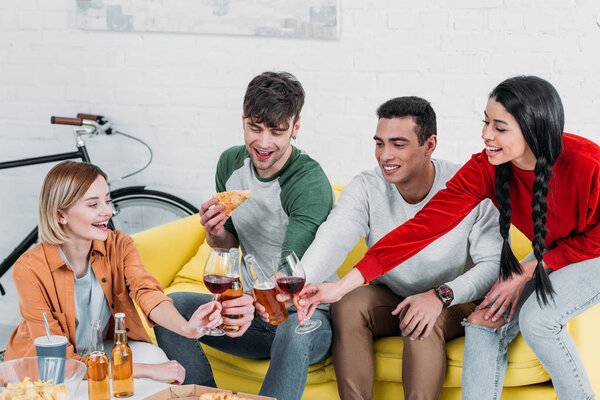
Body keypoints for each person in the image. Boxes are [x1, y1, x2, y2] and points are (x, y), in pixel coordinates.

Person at [299, 76, 600, 400]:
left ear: (532, 128)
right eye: (486, 122)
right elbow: (420, 229)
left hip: (594, 253)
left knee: (538, 320)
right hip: (554, 252)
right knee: (484, 321)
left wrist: (527, 271)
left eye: (500, 127)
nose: (486, 134)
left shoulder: (586, 162)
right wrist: (342, 286)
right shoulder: (485, 168)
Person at [291, 96, 502, 400]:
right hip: (392, 295)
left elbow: (492, 266)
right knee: (348, 304)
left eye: (399, 144)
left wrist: (439, 296)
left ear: (429, 145)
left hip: (455, 299)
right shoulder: (367, 186)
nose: (385, 155)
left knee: (419, 321)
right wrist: (298, 283)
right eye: (380, 143)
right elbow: (334, 237)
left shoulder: (467, 186)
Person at [155, 71, 334, 400]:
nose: (264, 143)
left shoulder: (308, 181)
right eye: (256, 127)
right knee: (172, 306)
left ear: (295, 127)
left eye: (277, 131)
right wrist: (215, 232)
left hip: (306, 316)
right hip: (253, 316)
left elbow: (291, 268)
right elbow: (228, 245)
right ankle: (208, 397)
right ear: (243, 120)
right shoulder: (230, 163)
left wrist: (250, 301)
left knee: (292, 333)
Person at [5, 161, 222, 384]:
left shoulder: (119, 245)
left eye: (107, 200)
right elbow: (62, 364)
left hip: (95, 353)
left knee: (154, 357)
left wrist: (188, 328)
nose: (107, 211)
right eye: (93, 205)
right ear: (61, 215)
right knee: (149, 368)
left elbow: (147, 292)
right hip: (46, 369)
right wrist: (142, 370)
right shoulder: (29, 269)